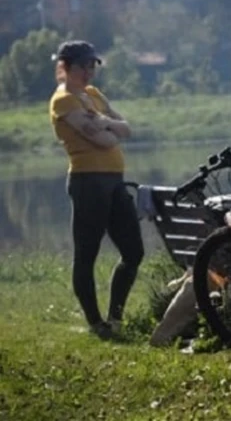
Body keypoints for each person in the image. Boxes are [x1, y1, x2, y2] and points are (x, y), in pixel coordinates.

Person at [48, 40, 143, 340]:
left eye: (92, 66)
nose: (89, 72)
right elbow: (106, 141)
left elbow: (126, 128)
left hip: (114, 181)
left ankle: (115, 318)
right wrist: (110, 128)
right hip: (87, 182)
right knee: (86, 254)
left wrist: (103, 122)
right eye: (82, 66)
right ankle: (95, 322)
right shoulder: (64, 100)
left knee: (134, 252)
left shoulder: (92, 95)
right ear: (66, 68)